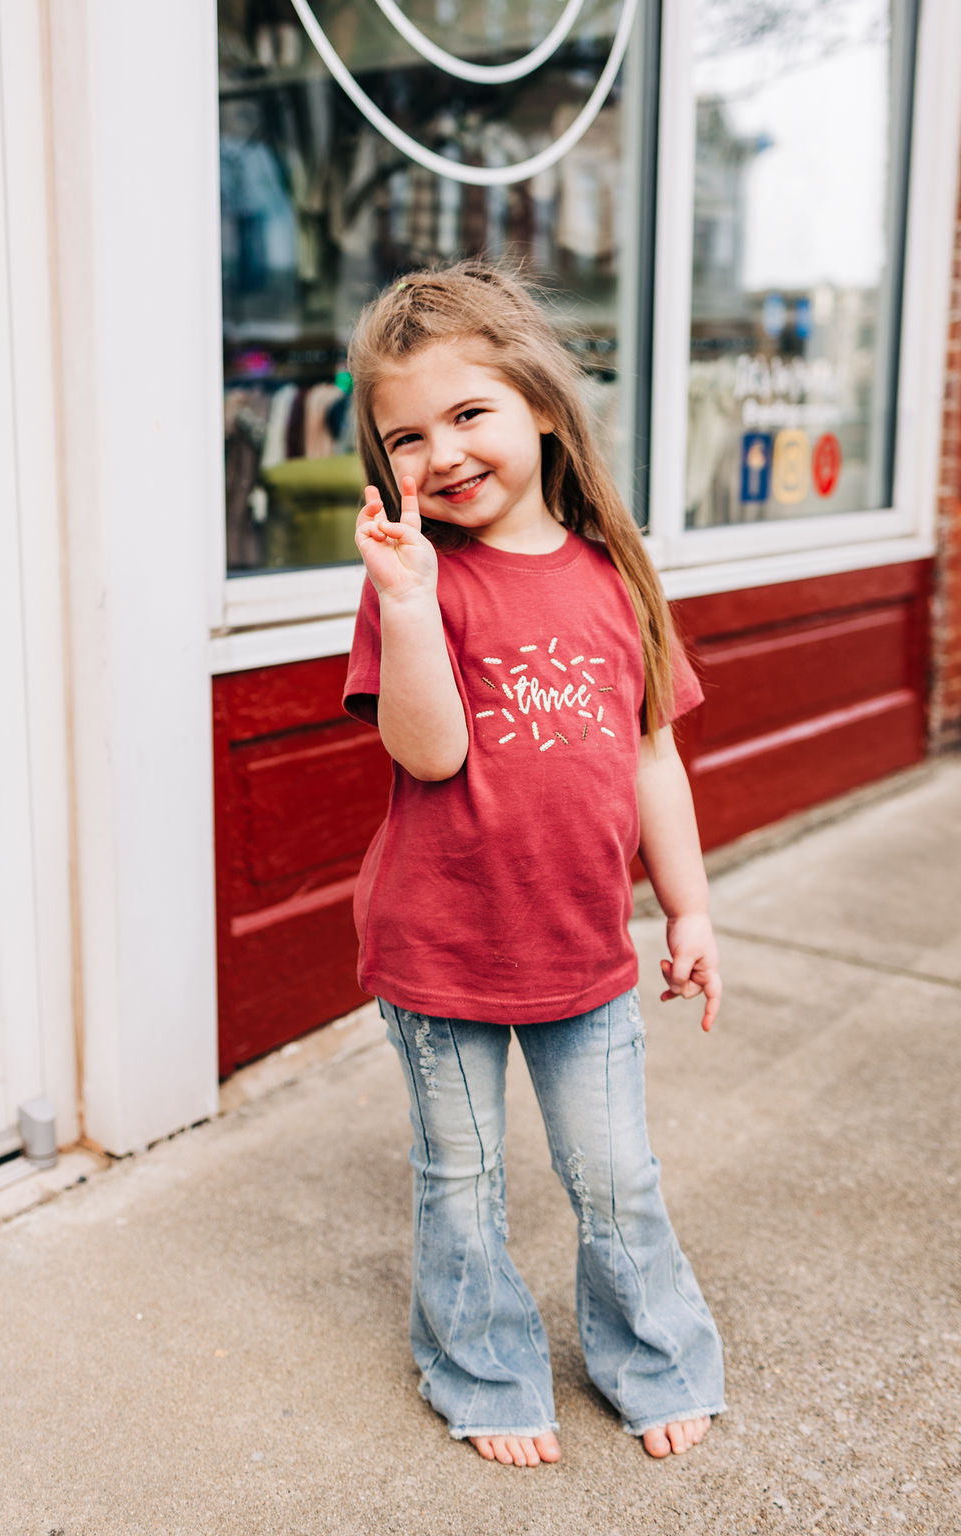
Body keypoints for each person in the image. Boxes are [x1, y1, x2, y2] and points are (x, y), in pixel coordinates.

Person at [343, 261, 725, 1469]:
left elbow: (652, 760)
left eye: (469, 414)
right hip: (441, 944)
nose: (442, 452)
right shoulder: (417, 585)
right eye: (407, 434)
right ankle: (484, 1367)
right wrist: (405, 606)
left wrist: (690, 909)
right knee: (460, 1178)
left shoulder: (617, 578)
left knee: (614, 1175)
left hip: (580, 946)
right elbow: (431, 751)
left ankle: (655, 1358)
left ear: (544, 410)